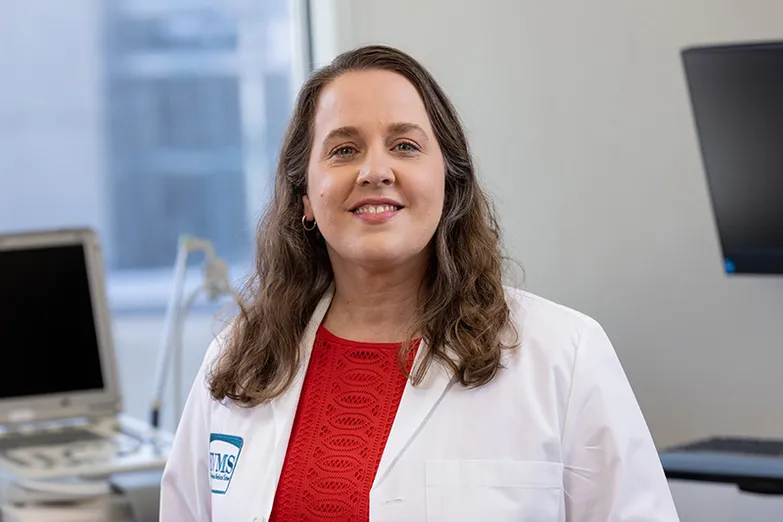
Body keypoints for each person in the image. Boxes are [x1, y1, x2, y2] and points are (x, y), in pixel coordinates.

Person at [159, 44, 679, 522]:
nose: (375, 171)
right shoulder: (241, 359)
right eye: (343, 150)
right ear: (304, 197)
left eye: (405, 145)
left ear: (449, 183)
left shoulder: (564, 355)